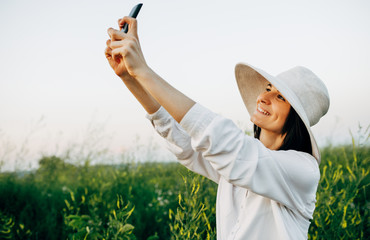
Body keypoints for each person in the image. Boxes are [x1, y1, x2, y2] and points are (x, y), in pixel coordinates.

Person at [105, 16, 330, 240]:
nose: (263, 97)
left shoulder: (303, 170)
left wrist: (143, 70)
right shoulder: (239, 162)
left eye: (280, 97)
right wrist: (130, 76)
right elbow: (186, 142)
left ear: (296, 120)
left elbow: (226, 145)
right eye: (268, 88)